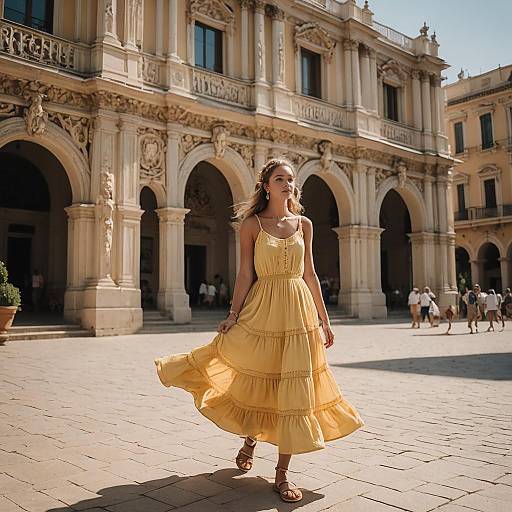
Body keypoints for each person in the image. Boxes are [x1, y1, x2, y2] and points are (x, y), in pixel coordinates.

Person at [154, 159, 363, 503]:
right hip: (262, 309)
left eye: (290, 179)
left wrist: (325, 320)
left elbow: (310, 274)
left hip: (299, 313)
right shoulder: (251, 225)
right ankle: (251, 438)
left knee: (294, 390)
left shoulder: (304, 224)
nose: (287, 184)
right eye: (279, 179)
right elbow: (244, 275)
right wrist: (233, 314)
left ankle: (281, 474)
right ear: (266, 185)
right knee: (258, 378)